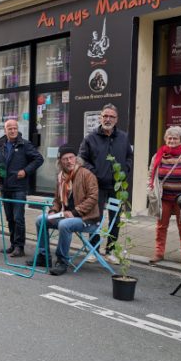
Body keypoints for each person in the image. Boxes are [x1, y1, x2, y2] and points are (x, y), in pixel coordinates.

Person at [31, 146, 100, 275]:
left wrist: (74, 213)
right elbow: (57, 199)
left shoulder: (87, 174)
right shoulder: (61, 177)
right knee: (41, 219)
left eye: (71, 158)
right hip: (65, 215)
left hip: (87, 219)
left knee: (64, 224)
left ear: (76, 159)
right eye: (65, 159)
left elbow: (93, 199)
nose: (69, 161)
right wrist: (53, 210)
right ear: (60, 162)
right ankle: (43, 257)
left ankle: (62, 261)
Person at [78, 103, 133, 264]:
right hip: (97, 187)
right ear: (100, 117)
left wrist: (126, 169)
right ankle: (93, 250)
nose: (108, 119)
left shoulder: (123, 137)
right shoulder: (90, 138)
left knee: (115, 219)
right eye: (105, 116)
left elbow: (129, 156)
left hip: (116, 187)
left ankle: (111, 251)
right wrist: (94, 173)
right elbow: (82, 159)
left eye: (111, 116)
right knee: (95, 218)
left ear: (116, 120)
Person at [147, 126, 181, 267]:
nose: (171, 140)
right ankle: (158, 252)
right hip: (163, 198)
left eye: (175, 138)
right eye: (169, 138)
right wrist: (150, 188)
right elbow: (151, 174)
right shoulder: (158, 155)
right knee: (161, 226)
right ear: (165, 139)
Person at [0, 119, 44, 257]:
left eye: (15, 128)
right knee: (9, 218)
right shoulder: (1, 145)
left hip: (19, 187)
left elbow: (39, 159)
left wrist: (26, 171)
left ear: (17, 129)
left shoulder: (25, 144)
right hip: (5, 186)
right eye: (10, 128)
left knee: (18, 218)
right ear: (5, 130)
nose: (13, 130)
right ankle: (13, 244)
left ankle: (20, 247)